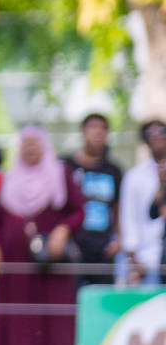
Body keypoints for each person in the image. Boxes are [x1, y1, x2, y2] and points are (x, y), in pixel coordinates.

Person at [0, 125, 85, 345]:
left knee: (52, 323)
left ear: (44, 146)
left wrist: (63, 230)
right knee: (19, 322)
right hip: (15, 271)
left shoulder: (60, 175)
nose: (29, 148)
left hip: (50, 266)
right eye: (25, 144)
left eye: (34, 143)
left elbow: (78, 210)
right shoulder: (9, 179)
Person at [62, 112, 125, 285]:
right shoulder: (65, 166)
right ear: (83, 131)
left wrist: (119, 239)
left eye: (103, 128)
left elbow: (118, 206)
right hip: (74, 246)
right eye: (93, 127)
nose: (98, 133)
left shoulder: (114, 170)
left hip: (104, 247)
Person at [119, 119, 165, 286]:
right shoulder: (134, 177)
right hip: (147, 262)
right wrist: (133, 259)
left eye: (161, 132)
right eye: (150, 134)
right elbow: (130, 218)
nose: (156, 137)